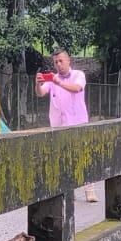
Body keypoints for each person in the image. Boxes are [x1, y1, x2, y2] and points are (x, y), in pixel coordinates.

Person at [36, 49, 96, 202]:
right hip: (58, 125)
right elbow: (41, 93)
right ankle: (68, 190)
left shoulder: (78, 75)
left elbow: (77, 89)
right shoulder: (53, 79)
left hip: (78, 123)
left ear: (68, 60)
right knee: (63, 157)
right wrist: (38, 84)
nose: (58, 64)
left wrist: (59, 82)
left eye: (61, 61)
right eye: (56, 62)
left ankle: (89, 189)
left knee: (83, 155)